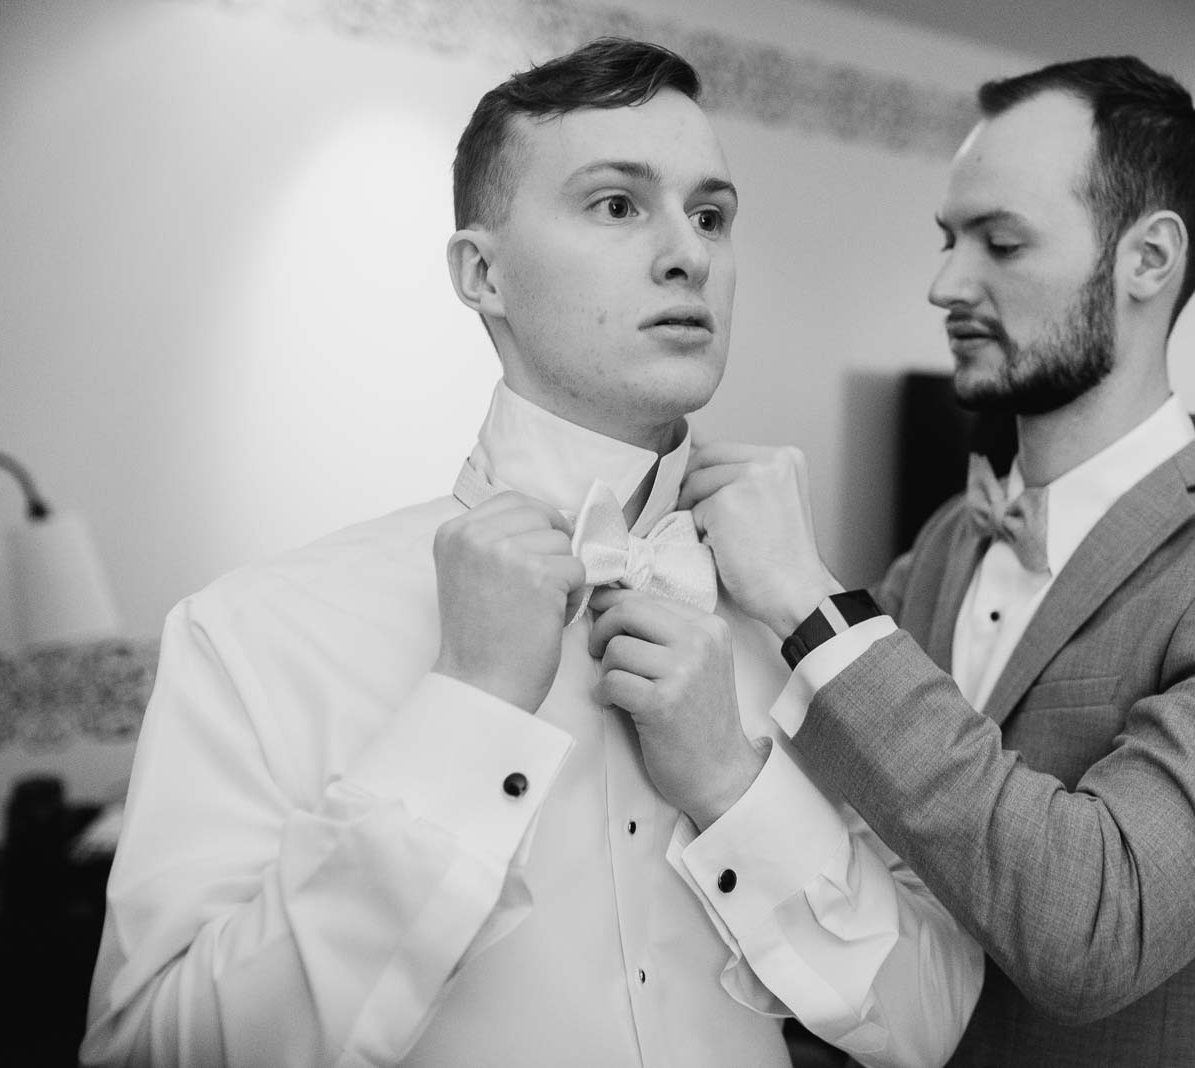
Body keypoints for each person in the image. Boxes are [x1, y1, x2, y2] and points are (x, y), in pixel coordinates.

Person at [80, 38, 981, 1068]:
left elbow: (932, 1023)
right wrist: (464, 714)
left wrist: (736, 788)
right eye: (615, 205)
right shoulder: (255, 633)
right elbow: (149, 1052)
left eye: (711, 214)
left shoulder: (802, 632)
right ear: (481, 273)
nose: (688, 252)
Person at [673, 56, 1195, 1065]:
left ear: (1147, 258)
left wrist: (807, 600)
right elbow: (842, 810)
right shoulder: (948, 537)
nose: (943, 284)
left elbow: (1097, 930)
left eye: (1000, 242)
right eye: (947, 239)